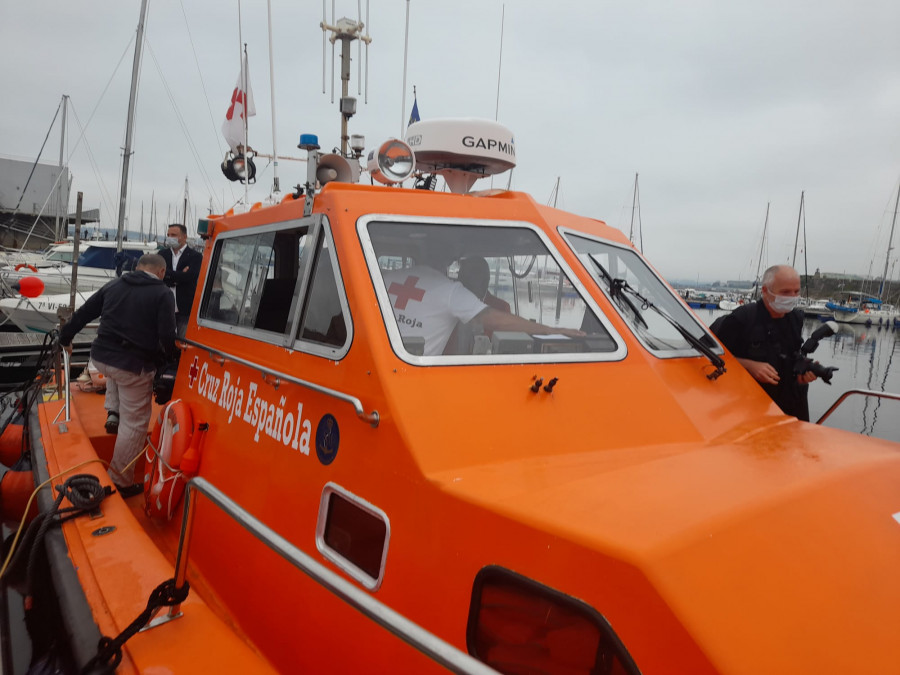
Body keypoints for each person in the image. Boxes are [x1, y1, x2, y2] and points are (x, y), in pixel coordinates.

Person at [59, 254, 177, 497]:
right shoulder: (163, 293)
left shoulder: (114, 284)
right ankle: (121, 481)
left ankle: (113, 410)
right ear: (162, 271)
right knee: (134, 424)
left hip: (101, 358)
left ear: (137, 267)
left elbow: (84, 314)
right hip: (132, 366)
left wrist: (65, 338)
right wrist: (170, 362)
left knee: (115, 372)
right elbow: (167, 337)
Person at [382, 263, 583, 356]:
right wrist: (552, 330)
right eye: (463, 275)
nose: (465, 281)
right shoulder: (451, 293)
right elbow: (490, 319)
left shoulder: (390, 278)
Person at [710, 264, 817, 421]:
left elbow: (791, 357)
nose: (792, 297)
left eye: (796, 291)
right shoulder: (742, 318)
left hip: (789, 406)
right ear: (765, 291)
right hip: (746, 408)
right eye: (785, 292)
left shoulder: (796, 318)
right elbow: (709, 355)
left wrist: (803, 373)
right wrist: (748, 365)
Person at [160, 223, 203, 336]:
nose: (170, 237)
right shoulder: (162, 254)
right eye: (168, 234)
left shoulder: (196, 257)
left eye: (173, 235)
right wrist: (179, 276)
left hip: (184, 310)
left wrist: (169, 275)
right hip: (163, 309)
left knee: (183, 343)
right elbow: (159, 275)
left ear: (184, 237)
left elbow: (190, 277)